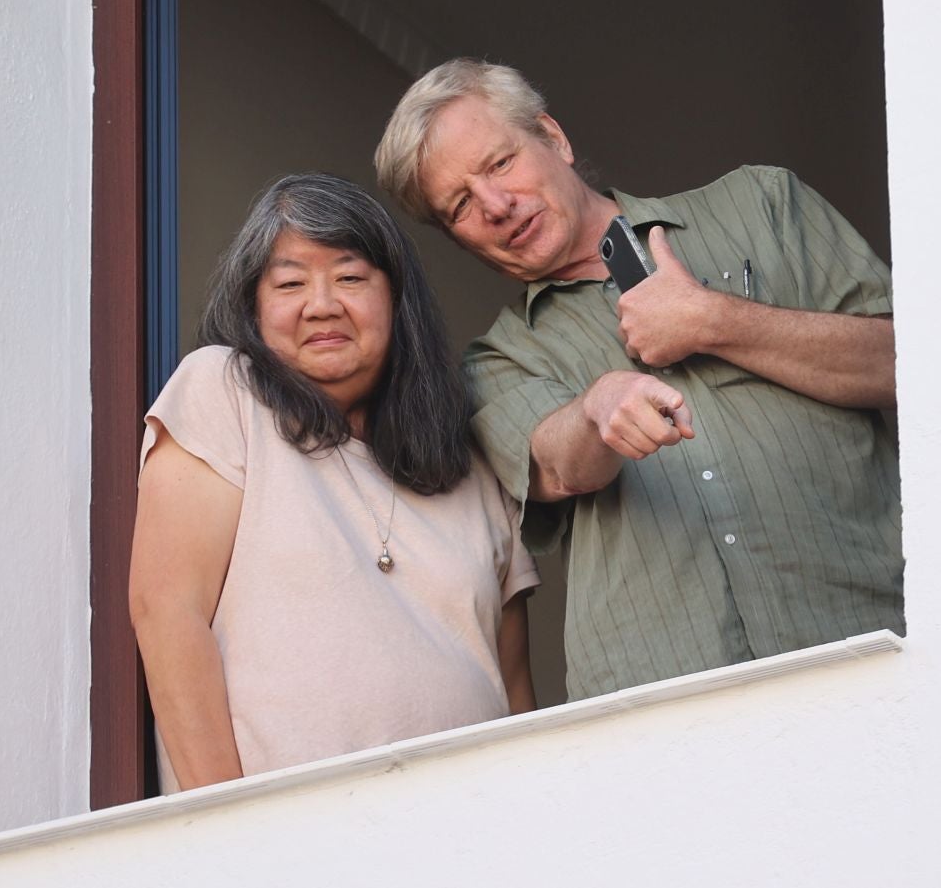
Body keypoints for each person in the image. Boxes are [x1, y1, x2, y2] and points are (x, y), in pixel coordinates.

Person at [374, 60, 901, 700]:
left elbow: (903, 365)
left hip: (871, 648)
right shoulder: (496, 360)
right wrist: (597, 409)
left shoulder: (764, 204)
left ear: (553, 137)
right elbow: (558, 466)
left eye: (499, 164)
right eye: (459, 205)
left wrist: (714, 321)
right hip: (665, 711)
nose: (495, 206)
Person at [128, 173, 538, 793]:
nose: (322, 304)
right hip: (289, 842)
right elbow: (166, 613)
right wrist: (221, 824)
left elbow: (514, 691)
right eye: (290, 283)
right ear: (253, 309)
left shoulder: (471, 465)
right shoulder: (223, 391)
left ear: (397, 302)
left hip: (470, 831)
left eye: (350, 278)